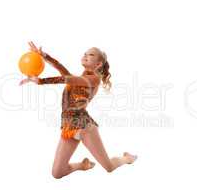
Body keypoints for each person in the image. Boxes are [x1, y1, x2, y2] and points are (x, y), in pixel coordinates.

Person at [19, 41, 137, 179]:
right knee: (57, 173)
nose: (86, 55)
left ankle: (126, 159)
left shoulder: (94, 80)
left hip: (84, 126)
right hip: (69, 126)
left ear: (98, 64)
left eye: (91, 54)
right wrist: (44, 56)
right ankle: (83, 165)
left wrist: (41, 81)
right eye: (85, 53)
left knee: (109, 167)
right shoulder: (79, 78)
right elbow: (61, 69)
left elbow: (66, 78)